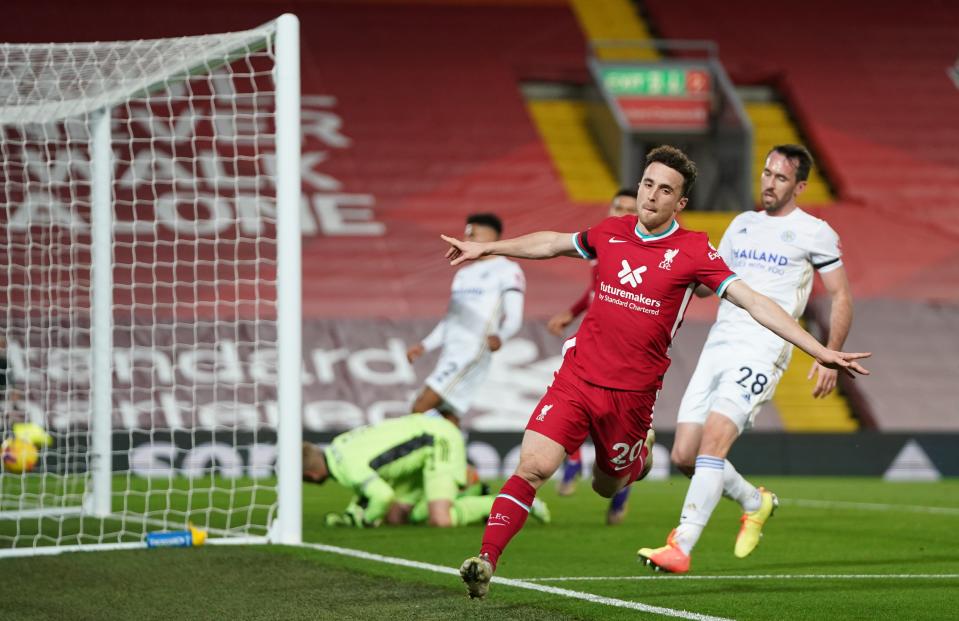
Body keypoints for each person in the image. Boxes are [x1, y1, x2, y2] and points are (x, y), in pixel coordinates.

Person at [446, 145, 869, 599]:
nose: (650, 196)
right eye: (647, 184)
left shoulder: (693, 251)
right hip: (577, 378)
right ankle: (486, 559)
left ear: (679, 203)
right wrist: (486, 247)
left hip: (631, 397)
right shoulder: (611, 231)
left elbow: (754, 302)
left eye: (664, 190)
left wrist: (818, 349)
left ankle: (640, 458)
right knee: (532, 467)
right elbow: (550, 243)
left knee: (607, 486)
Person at [637, 144, 854, 573]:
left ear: (800, 186)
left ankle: (680, 546)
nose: (768, 183)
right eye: (766, 173)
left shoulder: (815, 232)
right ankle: (756, 502)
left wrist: (829, 354)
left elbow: (842, 294)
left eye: (780, 177)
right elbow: (704, 285)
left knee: (713, 443)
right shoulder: (742, 225)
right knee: (684, 455)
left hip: (764, 348)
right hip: (720, 343)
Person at [547, 188, 639, 526]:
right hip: (596, 340)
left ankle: (621, 492)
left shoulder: (643, 249)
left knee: (622, 431)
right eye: (618, 206)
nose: (622, 212)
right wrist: (571, 314)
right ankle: (573, 460)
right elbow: (596, 290)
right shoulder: (604, 244)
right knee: (571, 395)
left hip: (633, 353)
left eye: (630, 208)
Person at [302, 413, 549, 528]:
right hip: (418, 450)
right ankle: (463, 491)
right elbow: (369, 489)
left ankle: (517, 504)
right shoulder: (338, 446)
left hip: (436, 440)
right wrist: (352, 514)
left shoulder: (347, 467)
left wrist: (365, 520)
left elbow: (381, 496)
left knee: (439, 519)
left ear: (311, 476)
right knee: (395, 518)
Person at [407, 213, 525, 424]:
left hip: (473, 350)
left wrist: (502, 336)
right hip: (451, 351)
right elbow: (452, 318)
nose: (467, 238)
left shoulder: (508, 270)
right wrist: (425, 345)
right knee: (448, 417)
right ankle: (456, 457)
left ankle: (403, 454)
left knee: (420, 407)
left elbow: (514, 315)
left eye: (474, 234)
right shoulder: (463, 275)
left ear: (491, 236)